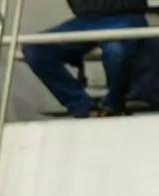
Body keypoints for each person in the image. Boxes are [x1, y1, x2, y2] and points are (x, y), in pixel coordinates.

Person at [23, 1, 159, 119]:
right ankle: (83, 107)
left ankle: (113, 105)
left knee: (115, 50)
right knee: (34, 49)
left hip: (126, 15)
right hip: (85, 19)